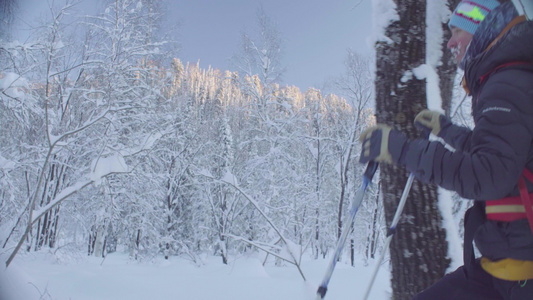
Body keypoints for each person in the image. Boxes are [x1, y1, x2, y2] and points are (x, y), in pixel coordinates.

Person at [359, 0, 533, 299]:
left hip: (520, 277)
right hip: (506, 268)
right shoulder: (509, 77)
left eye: (457, 31)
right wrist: (446, 129)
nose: (450, 41)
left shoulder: (507, 83)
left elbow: (489, 175)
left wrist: (401, 150)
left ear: (482, 29)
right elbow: (500, 154)